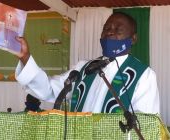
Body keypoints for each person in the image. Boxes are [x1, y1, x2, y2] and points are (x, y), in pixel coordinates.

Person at [15, 12, 160, 114]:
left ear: (133, 39)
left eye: (118, 29)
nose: (109, 32)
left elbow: (145, 123)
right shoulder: (84, 68)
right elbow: (50, 89)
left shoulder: (144, 75)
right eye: (106, 29)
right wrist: (25, 57)